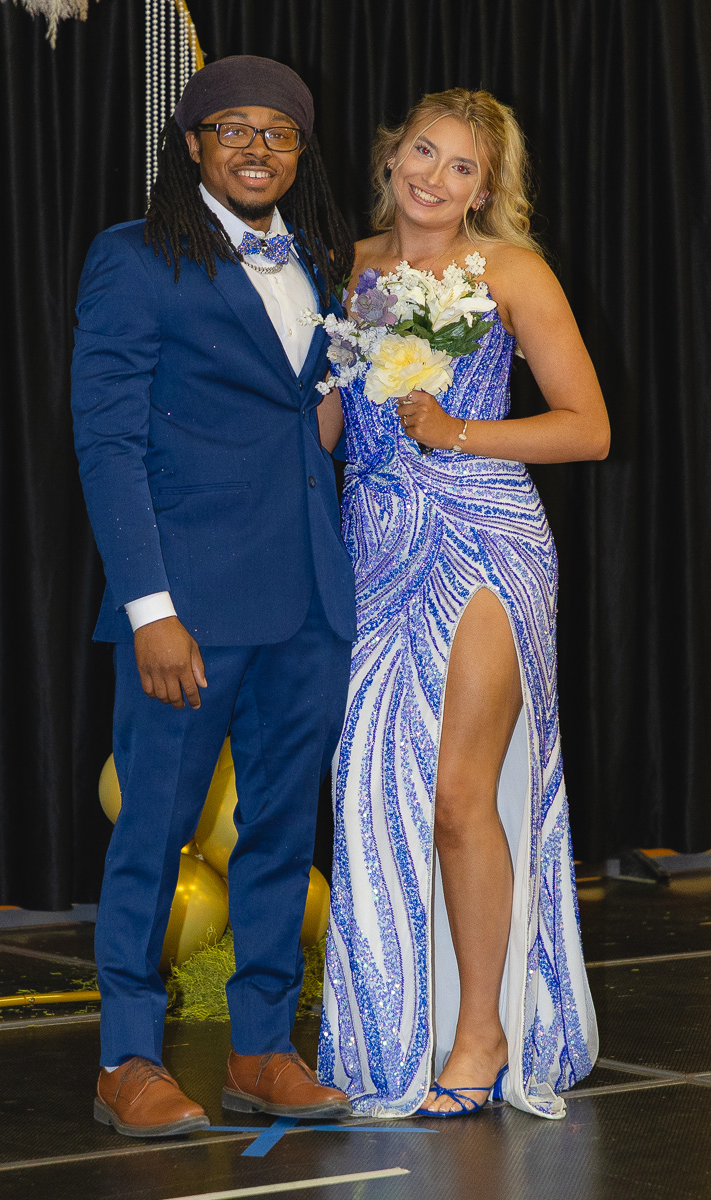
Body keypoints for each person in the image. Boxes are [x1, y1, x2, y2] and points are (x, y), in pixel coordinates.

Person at [71, 55, 357, 1138]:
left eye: (276, 134)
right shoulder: (134, 258)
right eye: (230, 130)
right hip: (186, 610)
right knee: (150, 833)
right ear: (189, 145)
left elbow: (302, 422)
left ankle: (258, 1050)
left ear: (298, 152)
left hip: (307, 606)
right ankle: (127, 1061)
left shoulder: (317, 263)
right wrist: (150, 609)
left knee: (282, 837)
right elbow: (105, 442)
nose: (254, 149)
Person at [315, 89, 607, 1120]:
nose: (433, 178)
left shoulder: (510, 271)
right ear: (390, 154)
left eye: (461, 168)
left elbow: (586, 429)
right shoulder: (345, 266)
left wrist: (456, 436)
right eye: (422, 153)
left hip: (486, 534)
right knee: (369, 795)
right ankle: (387, 1029)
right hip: (372, 543)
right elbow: (329, 429)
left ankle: (481, 1032)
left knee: (453, 797)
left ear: (488, 188)